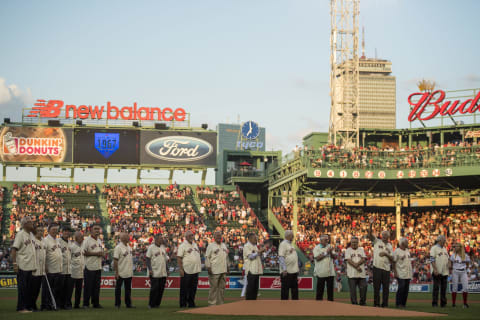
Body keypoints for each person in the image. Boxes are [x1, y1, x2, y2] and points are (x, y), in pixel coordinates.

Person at [11, 216, 36, 313]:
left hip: (30, 265)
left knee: (28, 288)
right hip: (23, 265)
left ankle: (26, 306)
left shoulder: (31, 235)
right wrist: (14, 263)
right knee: (23, 288)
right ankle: (21, 308)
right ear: (25, 224)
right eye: (30, 222)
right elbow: (14, 249)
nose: (32, 224)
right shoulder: (20, 234)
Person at [368, 218, 394, 307]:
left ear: (388, 237)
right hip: (377, 267)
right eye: (383, 235)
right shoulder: (376, 241)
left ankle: (385, 303)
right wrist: (371, 225)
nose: (384, 236)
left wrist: (386, 254)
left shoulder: (390, 246)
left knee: (386, 288)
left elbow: (392, 258)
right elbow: (369, 235)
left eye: (386, 235)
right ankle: (376, 303)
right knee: (377, 287)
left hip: (386, 269)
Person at [177, 230, 201, 308]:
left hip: (195, 270)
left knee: (193, 289)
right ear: (186, 237)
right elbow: (179, 258)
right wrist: (181, 269)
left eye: (192, 235)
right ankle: (183, 304)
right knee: (184, 288)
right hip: (186, 270)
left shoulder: (195, 244)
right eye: (190, 235)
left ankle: (191, 303)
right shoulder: (182, 245)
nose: (192, 237)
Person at [42, 223, 63, 311]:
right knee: (48, 289)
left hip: (58, 269)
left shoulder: (58, 240)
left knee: (56, 289)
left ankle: (53, 304)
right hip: (50, 269)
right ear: (49, 230)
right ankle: (46, 305)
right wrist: (45, 265)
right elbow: (43, 254)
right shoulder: (45, 240)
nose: (55, 231)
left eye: (56, 229)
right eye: (53, 229)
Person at [205, 230, 229, 306]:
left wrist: (228, 266)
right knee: (214, 288)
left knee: (222, 288)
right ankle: (212, 304)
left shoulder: (224, 245)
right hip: (214, 270)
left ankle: (220, 303)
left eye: (220, 236)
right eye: (217, 236)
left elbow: (226, 257)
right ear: (214, 237)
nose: (219, 237)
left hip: (223, 269)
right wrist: (208, 266)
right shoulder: (210, 246)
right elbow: (207, 257)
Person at [83, 224, 103, 309]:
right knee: (88, 287)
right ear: (91, 230)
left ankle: (96, 303)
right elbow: (84, 252)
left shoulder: (99, 240)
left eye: (98, 229)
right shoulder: (87, 240)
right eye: (95, 229)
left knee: (96, 287)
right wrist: (96, 254)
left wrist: (102, 253)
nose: (97, 230)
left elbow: (99, 251)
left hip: (98, 266)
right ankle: (86, 304)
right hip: (89, 266)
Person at [146, 234, 169, 308]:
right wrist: (149, 269)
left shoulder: (163, 247)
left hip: (163, 271)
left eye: (162, 238)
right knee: (154, 289)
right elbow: (147, 259)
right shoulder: (151, 247)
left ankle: (157, 304)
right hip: (154, 271)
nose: (161, 239)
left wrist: (167, 269)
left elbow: (165, 259)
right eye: (160, 238)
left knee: (161, 289)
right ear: (156, 239)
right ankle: (151, 304)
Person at [113, 232, 135, 309]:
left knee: (128, 290)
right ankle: (117, 304)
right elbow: (115, 260)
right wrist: (116, 272)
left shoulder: (129, 247)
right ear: (122, 238)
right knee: (118, 289)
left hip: (128, 272)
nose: (129, 238)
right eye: (127, 237)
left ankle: (128, 304)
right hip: (121, 272)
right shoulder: (118, 247)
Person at [345, 236, 367, 305]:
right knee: (353, 291)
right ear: (351, 243)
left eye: (355, 242)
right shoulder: (348, 250)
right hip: (352, 274)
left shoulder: (361, 249)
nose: (354, 243)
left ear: (358, 243)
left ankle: (362, 303)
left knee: (364, 288)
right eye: (353, 242)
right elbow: (349, 260)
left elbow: (363, 259)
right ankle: (354, 304)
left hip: (361, 274)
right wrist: (357, 267)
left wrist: (357, 265)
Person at [313, 234, 336, 301]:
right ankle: (319, 306)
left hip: (330, 272)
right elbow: (317, 258)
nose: (327, 241)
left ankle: (330, 305)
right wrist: (326, 252)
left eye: (327, 239)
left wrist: (331, 252)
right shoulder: (316, 248)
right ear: (321, 241)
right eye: (325, 240)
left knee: (330, 292)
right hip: (321, 272)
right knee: (320, 291)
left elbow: (334, 257)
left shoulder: (330, 246)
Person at [278, 230, 299, 300]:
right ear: (288, 236)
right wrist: (284, 269)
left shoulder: (290, 244)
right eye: (292, 235)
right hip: (287, 272)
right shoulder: (283, 244)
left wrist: (297, 269)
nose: (293, 237)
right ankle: (284, 307)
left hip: (293, 271)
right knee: (285, 291)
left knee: (295, 290)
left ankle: (295, 306)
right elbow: (281, 257)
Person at [243, 233, 264, 300]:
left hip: (256, 270)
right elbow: (250, 257)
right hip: (251, 270)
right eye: (255, 238)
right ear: (250, 238)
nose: (256, 239)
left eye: (256, 238)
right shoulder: (246, 246)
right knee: (250, 289)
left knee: (255, 290)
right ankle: (249, 304)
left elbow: (258, 256)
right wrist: (259, 252)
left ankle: (253, 304)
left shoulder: (255, 246)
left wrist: (261, 252)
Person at [393, 237, 412, 308]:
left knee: (406, 289)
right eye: (407, 242)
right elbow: (393, 262)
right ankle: (398, 303)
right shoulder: (397, 251)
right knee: (401, 288)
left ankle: (403, 304)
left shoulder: (407, 250)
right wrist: (395, 272)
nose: (408, 244)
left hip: (408, 273)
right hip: (400, 272)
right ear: (403, 243)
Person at [449, 242, 470, 308]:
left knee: (465, 288)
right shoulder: (453, 255)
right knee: (454, 288)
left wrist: (466, 268)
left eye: (457, 246)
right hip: (455, 271)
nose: (456, 247)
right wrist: (450, 268)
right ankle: (453, 304)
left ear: (460, 247)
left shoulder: (465, 255)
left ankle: (465, 303)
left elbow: (467, 263)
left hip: (463, 271)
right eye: (455, 246)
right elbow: (450, 262)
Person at [430, 235, 449, 307]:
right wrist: (435, 269)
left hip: (445, 271)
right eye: (443, 240)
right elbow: (432, 259)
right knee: (436, 288)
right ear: (439, 240)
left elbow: (448, 258)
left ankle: (443, 303)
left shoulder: (445, 249)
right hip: (437, 271)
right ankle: (435, 303)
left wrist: (449, 265)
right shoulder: (434, 248)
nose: (445, 241)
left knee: (444, 288)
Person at [31, 225, 46, 312]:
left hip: (41, 269)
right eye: (39, 230)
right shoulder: (33, 241)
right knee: (33, 289)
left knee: (37, 290)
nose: (40, 232)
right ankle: (31, 305)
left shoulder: (43, 241)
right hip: (34, 269)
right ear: (35, 231)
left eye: (42, 230)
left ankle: (34, 305)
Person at [57, 226, 72, 309]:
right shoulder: (58, 241)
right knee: (60, 288)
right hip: (61, 269)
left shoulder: (70, 243)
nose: (67, 233)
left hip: (69, 270)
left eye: (68, 231)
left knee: (68, 289)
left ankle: (66, 304)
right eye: (65, 231)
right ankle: (59, 304)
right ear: (62, 232)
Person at [70, 231, 84, 309]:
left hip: (81, 271)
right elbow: (69, 259)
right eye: (81, 237)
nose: (82, 238)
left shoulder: (83, 246)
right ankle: (68, 304)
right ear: (76, 238)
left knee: (79, 290)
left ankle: (77, 305)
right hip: (73, 271)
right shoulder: (72, 247)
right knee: (70, 290)